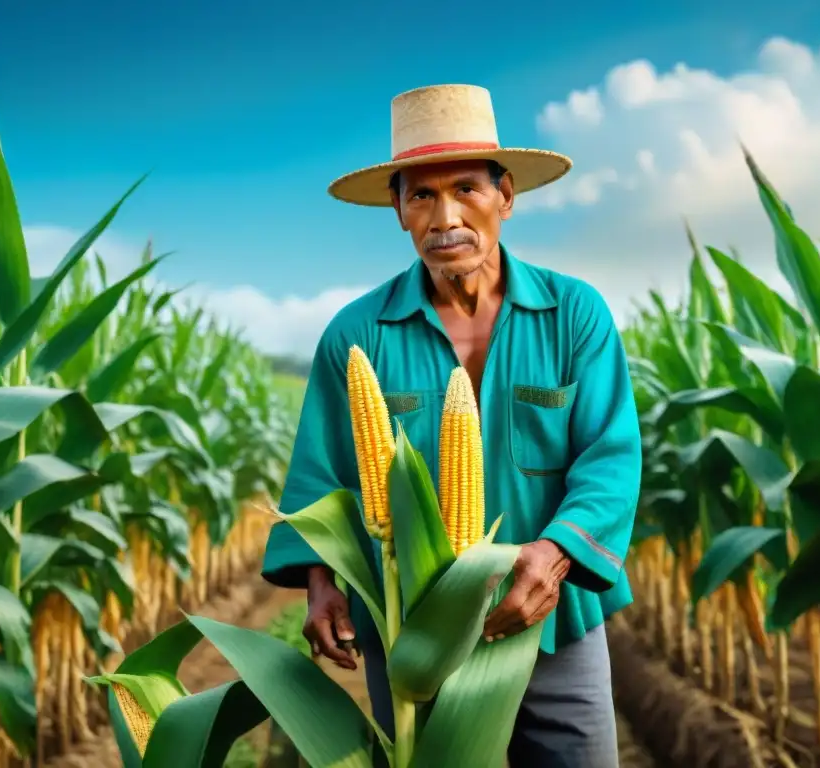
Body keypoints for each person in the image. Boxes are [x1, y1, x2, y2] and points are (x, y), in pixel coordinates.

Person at [260, 83, 642, 767]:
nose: (445, 218)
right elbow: (322, 475)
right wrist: (321, 582)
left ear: (506, 197)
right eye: (421, 196)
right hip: (413, 633)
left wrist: (552, 557)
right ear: (398, 210)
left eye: (466, 189)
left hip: (551, 622)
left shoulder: (574, 315)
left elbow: (610, 456)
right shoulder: (355, 335)